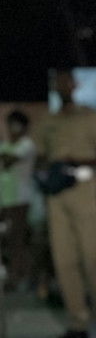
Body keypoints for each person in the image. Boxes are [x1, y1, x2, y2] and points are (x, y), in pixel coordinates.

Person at [35, 70, 96, 338]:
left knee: (92, 257)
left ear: (75, 84)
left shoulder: (90, 117)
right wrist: (48, 171)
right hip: (57, 193)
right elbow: (40, 155)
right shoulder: (48, 121)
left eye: (66, 81)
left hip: (84, 187)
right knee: (64, 259)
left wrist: (76, 160)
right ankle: (77, 322)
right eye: (57, 82)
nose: (62, 86)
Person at [0, 110, 36, 290]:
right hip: (5, 199)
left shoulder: (27, 144)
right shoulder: (5, 145)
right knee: (8, 238)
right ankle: (15, 274)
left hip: (20, 199)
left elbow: (8, 160)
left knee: (18, 239)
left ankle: (19, 277)